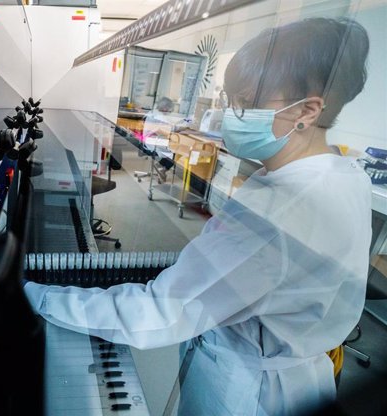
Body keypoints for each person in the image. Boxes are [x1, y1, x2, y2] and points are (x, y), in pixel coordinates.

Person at [24, 17, 371, 415]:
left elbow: (162, 312)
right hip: (302, 375)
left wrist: (37, 295)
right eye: (231, 99)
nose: (231, 114)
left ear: (307, 111)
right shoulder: (343, 175)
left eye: (247, 101)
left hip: (248, 391)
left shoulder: (280, 211)